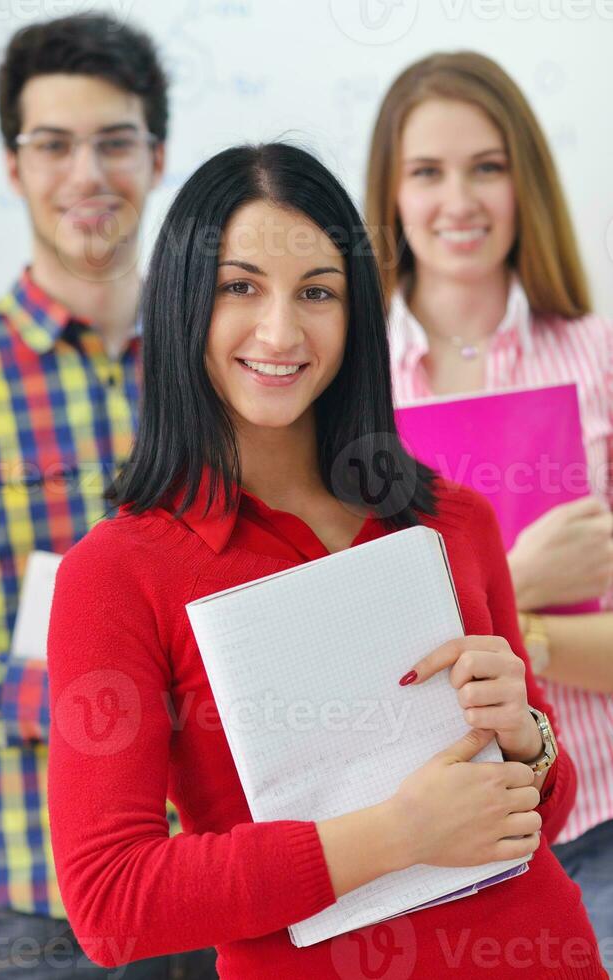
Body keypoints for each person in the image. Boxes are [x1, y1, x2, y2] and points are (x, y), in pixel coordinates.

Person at [46, 141, 605, 979]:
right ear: (181, 303)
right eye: (241, 287)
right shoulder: (115, 575)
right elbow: (112, 905)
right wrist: (393, 836)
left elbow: (539, 823)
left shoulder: (455, 519)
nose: (281, 330)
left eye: (318, 292)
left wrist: (525, 738)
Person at [0, 13, 216, 979]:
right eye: (53, 144)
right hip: (41, 903)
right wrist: (77, 696)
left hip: (229, 870)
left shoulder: (230, 362)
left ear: (156, 157)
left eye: (114, 142)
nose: (87, 175)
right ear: (13, 166)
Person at [365, 50, 613, 972]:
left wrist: (523, 637)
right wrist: (524, 583)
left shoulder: (598, 359)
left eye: (487, 166)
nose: (458, 200)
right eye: (427, 172)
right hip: (421, 851)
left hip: (596, 825)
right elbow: (367, 656)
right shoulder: (344, 388)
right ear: (390, 194)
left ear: (526, 182)